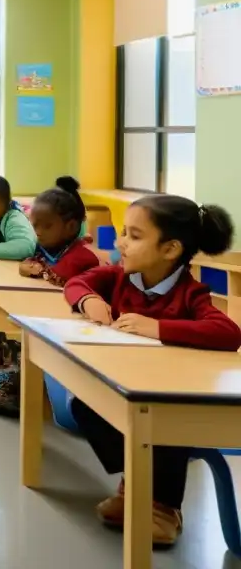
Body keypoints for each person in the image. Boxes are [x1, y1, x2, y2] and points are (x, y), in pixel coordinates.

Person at [64, 194, 241, 546]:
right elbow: (77, 282)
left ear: (170, 249)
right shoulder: (118, 278)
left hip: (174, 399)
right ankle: (134, 488)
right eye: (123, 232)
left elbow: (229, 332)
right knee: (86, 404)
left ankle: (164, 509)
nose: (120, 243)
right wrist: (90, 301)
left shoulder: (191, 294)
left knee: (163, 425)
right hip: (125, 385)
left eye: (133, 235)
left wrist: (157, 328)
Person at [19, 176, 99, 287]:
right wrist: (26, 266)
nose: (38, 232)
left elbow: (63, 276)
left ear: (71, 227)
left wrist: (42, 270)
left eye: (47, 226)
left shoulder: (82, 256)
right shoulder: (44, 246)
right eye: (35, 225)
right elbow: (33, 259)